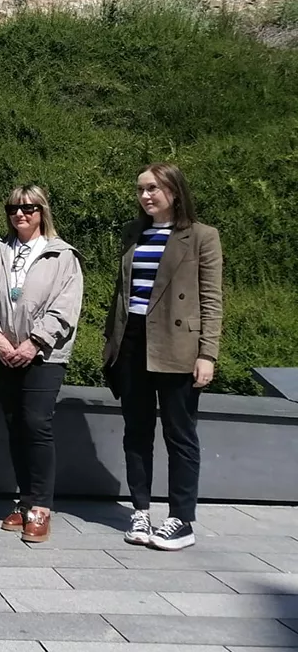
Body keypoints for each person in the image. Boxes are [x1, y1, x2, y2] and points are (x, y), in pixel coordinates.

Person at [103, 162, 222, 552]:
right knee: (136, 432)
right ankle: (140, 510)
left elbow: (211, 300)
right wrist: (112, 342)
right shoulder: (132, 233)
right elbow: (122, 293)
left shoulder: (201, 236)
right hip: (133, 341)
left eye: (153, 188)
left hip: (177, 345)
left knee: (179, 434)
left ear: (174, 190)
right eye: (140, 189)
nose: (145, 196)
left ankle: (181, 519)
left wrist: (207, 353)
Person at [0, 185, 83, 544]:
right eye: (13, 208)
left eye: (29, 208)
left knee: (37, 424)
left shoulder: (61, 255)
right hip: (3, 351)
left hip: (44, 355)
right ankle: (23, 501)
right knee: (15, 425)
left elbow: (65, 306)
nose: (20, 214)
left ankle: (41, 507)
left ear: (42, 211)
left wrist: (34, 342)